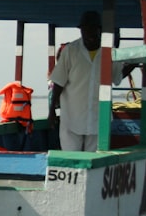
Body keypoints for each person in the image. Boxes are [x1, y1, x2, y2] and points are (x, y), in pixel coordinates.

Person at [49, 11, 135, 151]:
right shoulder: (71, 51)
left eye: (92, 30)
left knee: (94, 162)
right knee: (72, 162)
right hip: (72, 118)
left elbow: (117, 76)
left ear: (99, 30)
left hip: (98, 119)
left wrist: (134, 64)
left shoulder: (109, 52)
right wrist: (52, 110)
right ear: (81, 31)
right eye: (85, 31)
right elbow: (58, 81)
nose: (89, 35)